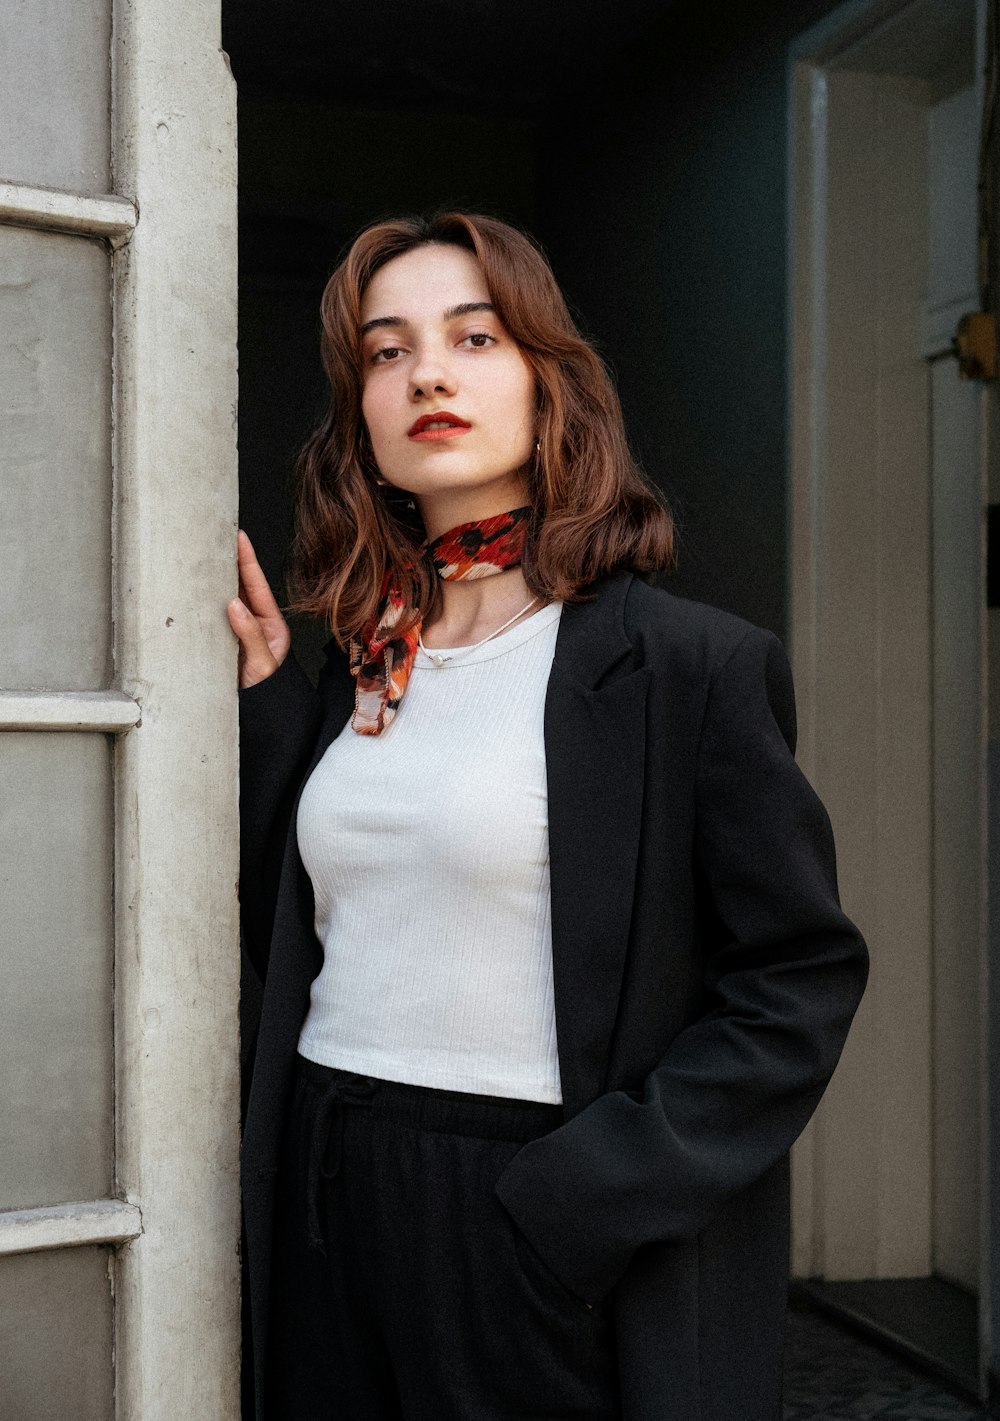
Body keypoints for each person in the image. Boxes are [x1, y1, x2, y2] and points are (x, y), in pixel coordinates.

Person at [229, 210, 868, 1421]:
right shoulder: (364, 665)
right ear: (360, 417)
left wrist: (579, 1199)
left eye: (473, 336)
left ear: (546, 383)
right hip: (325, 1183)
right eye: (385, 350)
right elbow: (304, 928)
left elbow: (796, 980)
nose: (426, 371)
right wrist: (270, 713)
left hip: (526, 1208)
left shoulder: (688, 670)